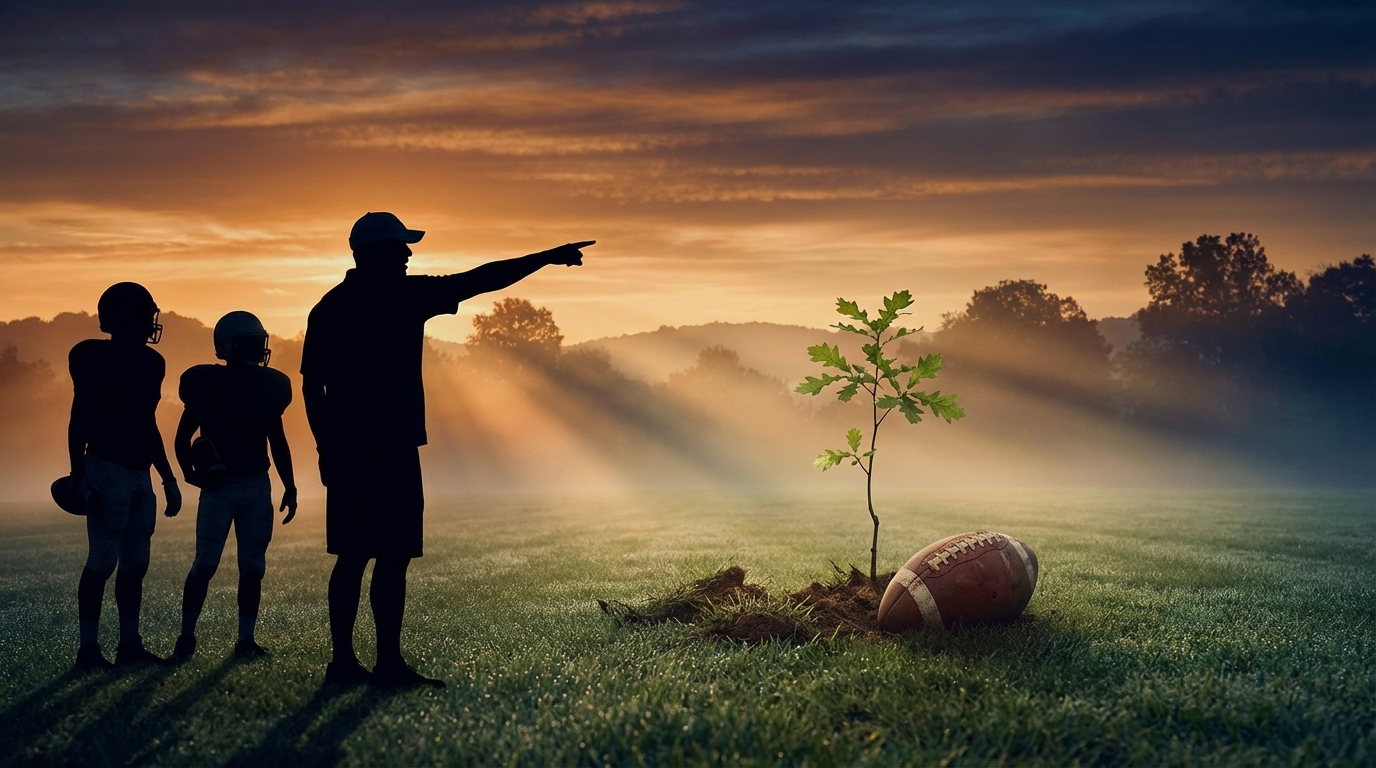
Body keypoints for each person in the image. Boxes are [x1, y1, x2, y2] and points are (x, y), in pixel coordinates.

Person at [302, 211, 591, 687]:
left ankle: (345, 664)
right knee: (389, 556)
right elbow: (482, 279)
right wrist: (548, 257)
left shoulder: (329, 306)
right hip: (391, 447)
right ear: (377, 253)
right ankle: (385, 665)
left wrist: (326, 449)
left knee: (354, 554)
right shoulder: (403, 296)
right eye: (400, 247)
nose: (409, 254)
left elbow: (314, 387)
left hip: (352, 450)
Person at [67, 282, 182, 670]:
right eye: (145, 314)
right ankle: (88, 650)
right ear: (125, 318)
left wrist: (166, 476)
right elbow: (79, 415)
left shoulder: (154, 362)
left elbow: (146, 422)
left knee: (135, 564)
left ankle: (130, 644)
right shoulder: (90, 356)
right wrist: (77, 471)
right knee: (101, 560)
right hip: (106, 466)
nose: (152, 322)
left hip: (139, 472)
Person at [172, 311, 296, 661]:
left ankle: (245, 640)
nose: (259, 349)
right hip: (221, 486)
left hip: (257, 481)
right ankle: (186, 637)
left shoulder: (267, 387)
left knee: (253, 566)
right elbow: (183, 436)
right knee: (205, 564)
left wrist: (290, 484)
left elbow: (278, 439)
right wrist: (189, 473)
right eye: (251, 343)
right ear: (228, 347)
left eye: (260, 342)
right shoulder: (208, 385)